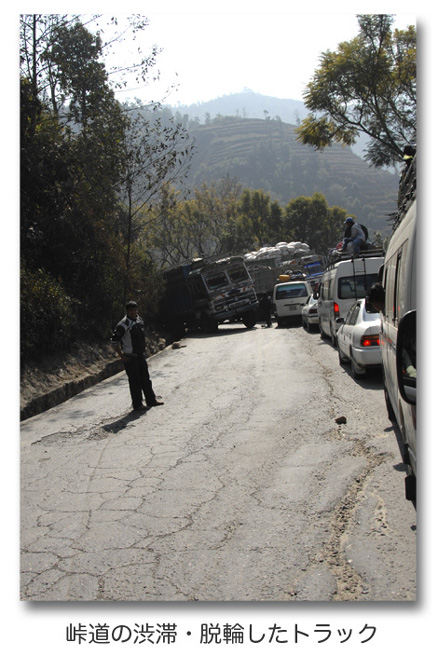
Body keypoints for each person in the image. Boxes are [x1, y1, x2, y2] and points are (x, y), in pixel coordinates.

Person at [111, 301, 164, 412]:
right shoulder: (123, 325)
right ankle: (137, 404)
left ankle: (151, 400)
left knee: (145, 378)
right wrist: (122, 356)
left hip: (140, 356)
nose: (133, 312)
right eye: (131, 310)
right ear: (127, 311)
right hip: (130, 357)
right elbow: (114, 342)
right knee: (135, 381)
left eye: (135, 310)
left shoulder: (139, 320)